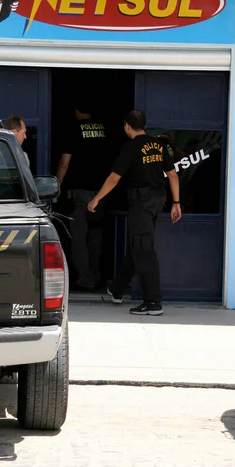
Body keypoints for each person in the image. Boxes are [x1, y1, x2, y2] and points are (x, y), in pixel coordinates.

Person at [87, 110, 181, 316]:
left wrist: (96, 199)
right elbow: (173, 175)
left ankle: (153, 302)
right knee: (139, 245)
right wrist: (176, 202)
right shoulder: (159, 145)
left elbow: (114, 178)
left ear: (127, 126)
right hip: (157, 202)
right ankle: (117, 289)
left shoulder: (131, 147)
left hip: (142, 204)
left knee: (144, 250)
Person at [56, 100, 108, 292]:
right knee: (96, 235)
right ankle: (96, 275)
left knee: (78, 237)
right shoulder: (104, 129)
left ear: (77, 111)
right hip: (101, 193)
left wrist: (56, 187)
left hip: (80, 193)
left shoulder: (74, 129)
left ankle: (86, 278)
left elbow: (64, 163)